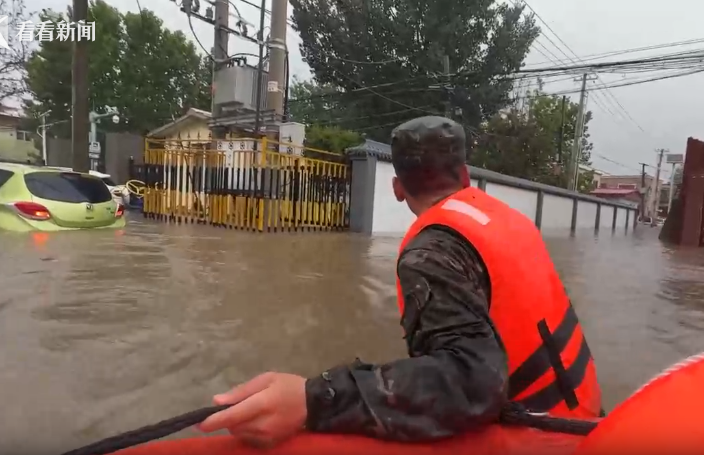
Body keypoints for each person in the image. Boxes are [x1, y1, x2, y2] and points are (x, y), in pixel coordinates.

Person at [198, 116, 603, 448]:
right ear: (464, 176)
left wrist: (313, 398)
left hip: (540, 440)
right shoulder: (508, 219)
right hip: (587, 420)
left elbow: (472, 383)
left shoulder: (430, 251)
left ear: (396, 188)